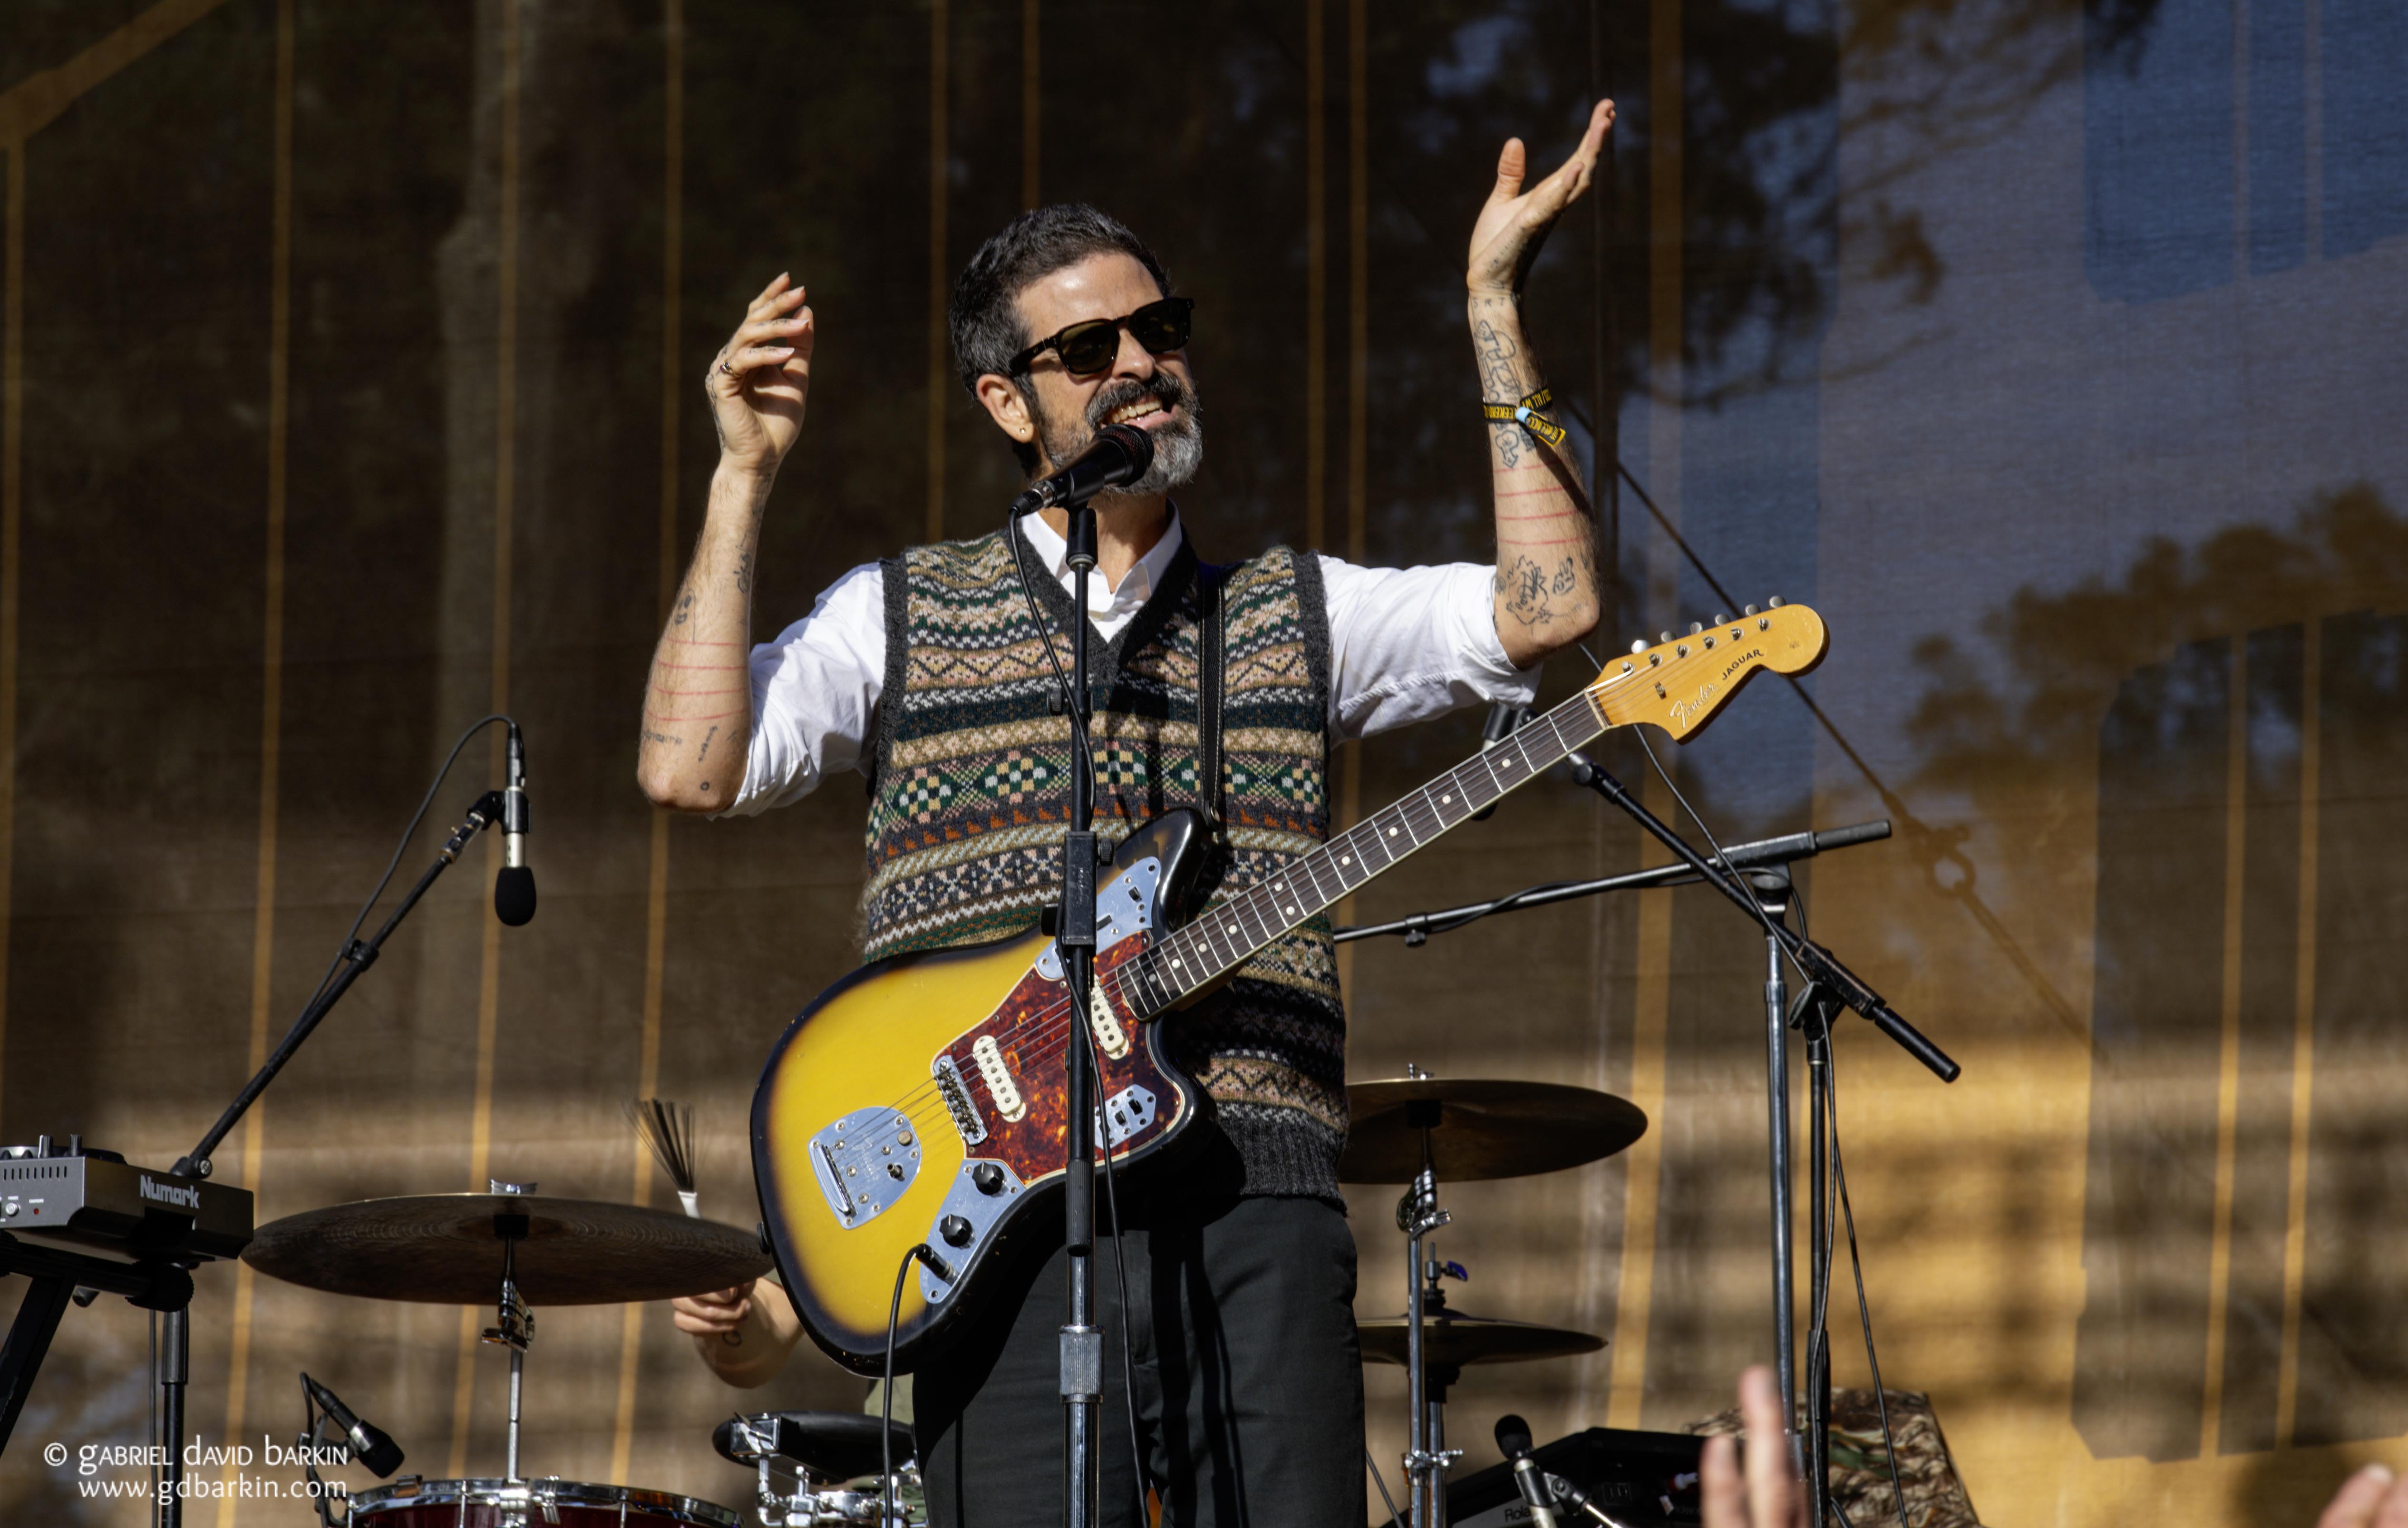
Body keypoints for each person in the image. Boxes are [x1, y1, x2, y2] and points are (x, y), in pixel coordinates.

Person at [640, 99, 1616, 1528]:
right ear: (1006, 402)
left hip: (1250, 1192)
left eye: (1161, 331)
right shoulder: (899, 613)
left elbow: (1557, 608)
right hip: (995, 1232)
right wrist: (742, 480)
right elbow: (687, 762)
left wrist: (1489, 303)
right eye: (1091, 351)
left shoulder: (1290, 612)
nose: (1144, 365)